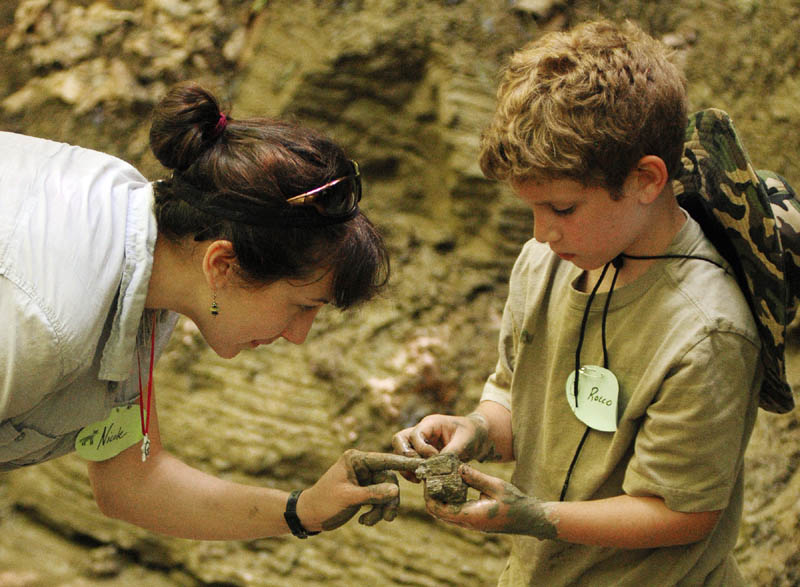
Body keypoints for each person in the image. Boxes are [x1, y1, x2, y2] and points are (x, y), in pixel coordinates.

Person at [393, 19, 798, 585]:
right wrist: (475, 430)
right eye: (531, 209)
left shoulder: (706, 332)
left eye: (561, 209)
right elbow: (516, 398)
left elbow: (682, 512)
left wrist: (533, 516)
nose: (540, 233)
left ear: (646, 179)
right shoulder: (548, 262)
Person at [0, 81, 400, 540]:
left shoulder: (151, 270)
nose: (298, 334)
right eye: (302, 306)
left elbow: (134, 484)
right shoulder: (47, 319)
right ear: (223, 264)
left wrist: (303, 510)